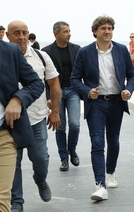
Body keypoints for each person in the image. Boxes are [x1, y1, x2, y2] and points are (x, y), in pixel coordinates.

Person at [71, 15, 134, 201]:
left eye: (110, 28)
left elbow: (132, 76)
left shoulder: (121, 50)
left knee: (113, 141)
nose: (107, 31)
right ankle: (100, 185)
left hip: (117, 101)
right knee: (98, 143)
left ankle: (110, 173)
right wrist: (87, 91)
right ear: (95, 32)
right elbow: (75, 79)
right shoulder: (85, 52)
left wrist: (128, 90)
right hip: (96, 103)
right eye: (103, 28)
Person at [6, 20, 61, 212]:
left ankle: (40, 179)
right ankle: (17, 202)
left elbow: (54, 84)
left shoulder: (41, 56)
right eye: (16, 33)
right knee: (13, 163)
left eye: (24, 33)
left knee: (41, 159)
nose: (21, 37)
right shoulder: (4, 56)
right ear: (7, 35)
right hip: (10, 122)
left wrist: (54, 111)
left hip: (36, 118)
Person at [0, 40, 44, 212]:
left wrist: (18, 99)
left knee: (2, 202)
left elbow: (36, 83)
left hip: (4, 136)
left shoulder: (9, 51)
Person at [42, 21, 81, 171]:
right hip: (55, 94)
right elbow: (44, 77)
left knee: (75, 124)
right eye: (65, 31)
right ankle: (63, 158)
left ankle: (72, 149)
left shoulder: (76, 49)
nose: (69, 34)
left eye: (69, 31)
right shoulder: (46, 52)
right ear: (56, 33)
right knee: (60, 128)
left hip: (73, 91)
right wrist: (48, 97)